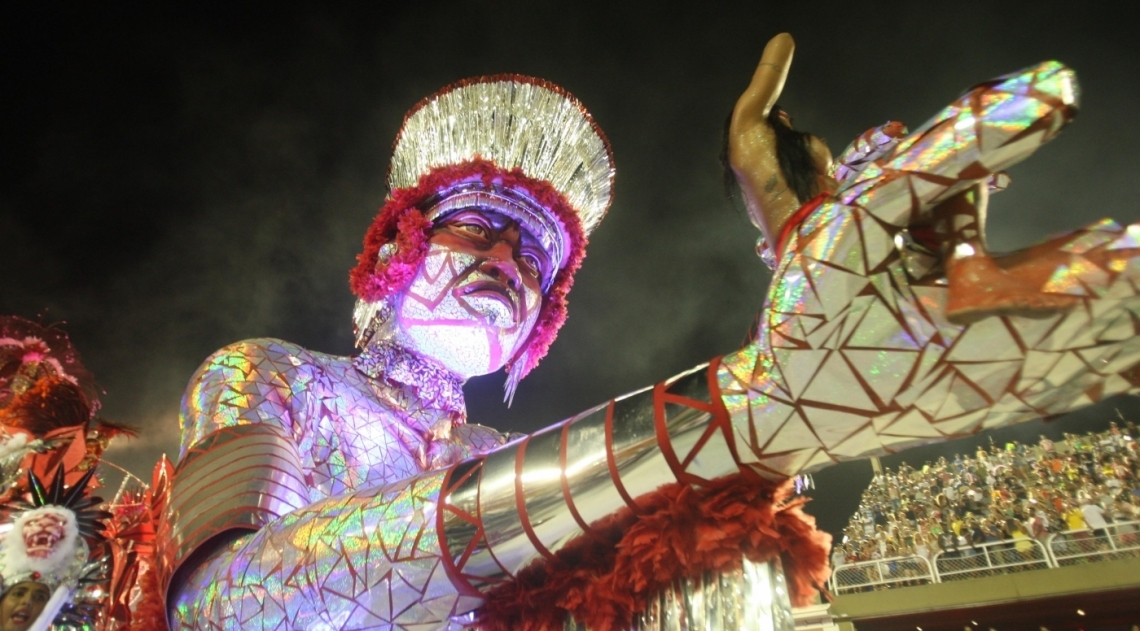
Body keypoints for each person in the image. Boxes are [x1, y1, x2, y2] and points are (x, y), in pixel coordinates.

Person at [164, 33, 1140, 631]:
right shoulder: (266, 375)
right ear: (395, 248)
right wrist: (731, 417)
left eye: (538, 259)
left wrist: (772, 459)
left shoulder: (508, 457)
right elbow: (220, 606)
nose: (511, 258)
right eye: (483, 224)